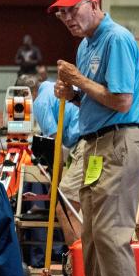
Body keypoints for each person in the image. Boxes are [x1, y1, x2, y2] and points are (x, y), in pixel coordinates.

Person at [49, 0, 139, 276]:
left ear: (94, 3)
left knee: (110, 236)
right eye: (61, 13)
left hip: (118, 141)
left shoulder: (115, 38)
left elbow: (121, 101)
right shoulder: (85, 46)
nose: (67, 18)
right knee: (92, 239)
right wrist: (73, 94)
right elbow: (96, 99)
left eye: (73, 9)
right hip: (95, 144)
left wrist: (79, 81)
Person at [19, 73, 83, 245]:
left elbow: (56, 148)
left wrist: (56, 184)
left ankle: (77, 265)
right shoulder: (50, 86)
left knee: (64, 210)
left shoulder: (40, 102)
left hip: (83, 143)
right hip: (87, 140)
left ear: (26, 94)